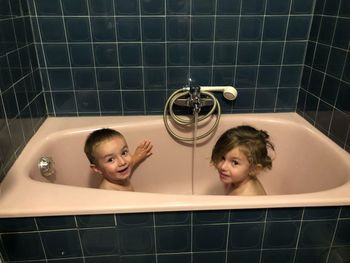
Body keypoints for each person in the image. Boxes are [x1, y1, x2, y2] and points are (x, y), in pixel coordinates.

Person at [211, 125, 274, 196]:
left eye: (235, 162)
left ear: (253, 169)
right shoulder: (236, 179)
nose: (223, 167)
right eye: (223, 158)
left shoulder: (247, 196)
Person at [84, 128, 152, 191]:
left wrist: (138, 155)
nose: (122, 162)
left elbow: (131, 163)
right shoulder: (109, 193)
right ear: (97, 168)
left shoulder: (120, 172)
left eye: (124, 153)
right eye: (110, 160)